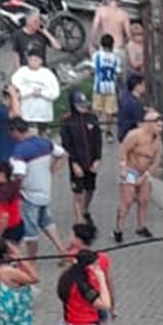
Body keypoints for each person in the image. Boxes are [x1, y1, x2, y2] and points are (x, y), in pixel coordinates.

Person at [8, 117, 66, 258]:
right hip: (45, 192)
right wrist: (51, 170)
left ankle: (31, 261)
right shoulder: (44, 142)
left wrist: (11, 193)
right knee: (47, 223)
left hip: (29, 196)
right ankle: (63, 252)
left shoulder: (20, 151)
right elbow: (63, 154)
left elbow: (19, 176)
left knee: (30, 232)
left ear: (15, 131)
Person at [114, 110, 163, 243]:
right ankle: (119, 228)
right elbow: (123, 149)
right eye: (158, 126)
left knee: (144, 199)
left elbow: (157, 160)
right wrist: (123, 167)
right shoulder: (135, 135)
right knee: (127, 200)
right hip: (131, 170)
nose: (160, 129)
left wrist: (147, 174)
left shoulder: (157, 140)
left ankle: (141, 226)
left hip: (144, 172)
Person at [59, 91, 101, 226]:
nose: (83, 108)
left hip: (91, 160)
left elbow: (98, 140)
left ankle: (85, 210)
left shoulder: (92, 118)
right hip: (77, 161)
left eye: (84, 105)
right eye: (79, 105)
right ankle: (79, 222)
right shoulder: (67, 121)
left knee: (90, 188)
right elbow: (66, 144)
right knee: (78, 192)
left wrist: (97, 159)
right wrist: (74, 163)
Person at [10, 46, 59, 129]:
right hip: (26, 115)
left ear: (41, 61)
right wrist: (30, 91)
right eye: (31, 60)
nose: (33, 62)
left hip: (43, 115)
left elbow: (55, 93)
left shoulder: (48, 74)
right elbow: (15, 91)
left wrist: (41, 93)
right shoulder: (21, 73)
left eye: (36, 60)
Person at [90, 34, 121, 140]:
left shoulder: (97, 55)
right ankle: (108, 132)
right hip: (111, 88)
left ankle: (97, 129)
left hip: (98, 87)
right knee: (109, 111)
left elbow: (93, 69)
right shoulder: (115, 58)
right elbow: (117, 72)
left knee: (97, 109)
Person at [0, 161, 23, 243]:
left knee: (11, 252)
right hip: (16, 225)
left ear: (2, 174)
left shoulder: (2, 193)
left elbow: (4, 216)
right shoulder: (11, 185)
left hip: (7, 229)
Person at [116, 74, 146, 142]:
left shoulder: (127, 98)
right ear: (137, 86)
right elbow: (139, 123)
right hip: (130, 137)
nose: (145, 87)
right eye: (143, 84)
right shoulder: (133, 103)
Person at [0, 84, 20, 163]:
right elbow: (16, 115)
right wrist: (13, 94)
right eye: (17, 100)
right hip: (0, 157)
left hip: (10, 156)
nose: (18, 103)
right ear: (7, 98)